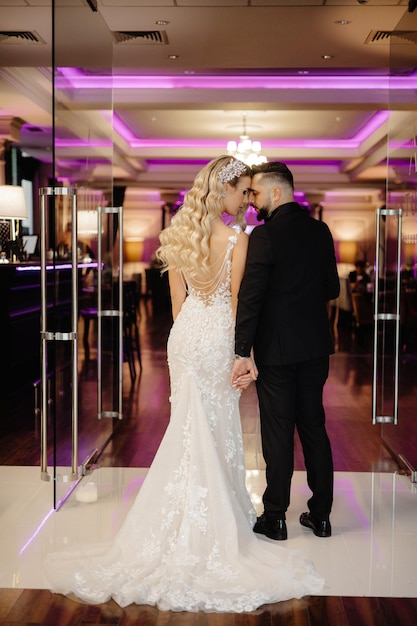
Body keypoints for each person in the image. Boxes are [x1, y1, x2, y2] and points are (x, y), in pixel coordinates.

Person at [45, 156, 324, 612]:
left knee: (188, 425)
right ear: (224, 192)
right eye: (241, 192)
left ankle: (180, 517)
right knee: (214, 424)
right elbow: (237, 299)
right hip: (217, 335)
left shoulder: (176, 237)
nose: (246, 203)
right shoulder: (240, 238)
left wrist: (187, 341)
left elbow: (177, 303)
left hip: (185, 336)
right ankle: (217, 520)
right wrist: (242, 352)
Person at [231, 161, 340, 542]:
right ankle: (321, 516)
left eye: (256, 193)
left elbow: (251, 298)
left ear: (276, 192)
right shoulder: (321, 231)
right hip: (314, 347)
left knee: (277, 431)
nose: (252, 201)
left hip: (276, 349)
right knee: (313, 427)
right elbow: (332, 289)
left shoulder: (264, 236)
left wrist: (241, 348)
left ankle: (275, 517)